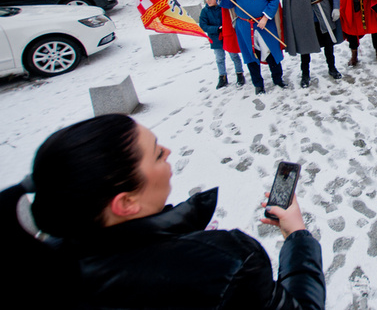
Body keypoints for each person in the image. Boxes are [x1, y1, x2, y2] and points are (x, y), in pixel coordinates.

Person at [0, 114, 326, 309]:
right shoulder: (226, 262)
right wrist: (297, 235)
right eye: (157, 154)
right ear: (126, 203)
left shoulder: (44, 271)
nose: (168, 151)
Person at [213, 0, 286, 94]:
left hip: (265, 23)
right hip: (245, 26)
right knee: (250, 56)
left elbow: (273, 0)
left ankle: (278, 80)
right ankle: (258, 85)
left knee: (271, 53)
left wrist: (265, 17)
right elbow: (228, 4)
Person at [199, 0, 245, 89]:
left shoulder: (223, 8)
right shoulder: (205, 11)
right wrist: (216, 29)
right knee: (219, 58)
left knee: (234, 56)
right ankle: (222, 77)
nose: (208, 1)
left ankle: (239, 74)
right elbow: (203, 25)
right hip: (215, 38)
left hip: (227, 36)